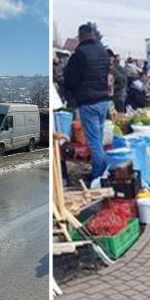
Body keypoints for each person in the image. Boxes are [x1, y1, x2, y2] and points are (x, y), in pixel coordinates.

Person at [63, 23, 110, 182]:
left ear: (81, 36)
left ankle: (98, 177)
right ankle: (102, 172)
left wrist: (71, 96)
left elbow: (70, 79)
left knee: (94, 142)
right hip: (103, 101)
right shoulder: (103, 52)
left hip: (88, 102)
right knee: (99, 139)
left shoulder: (80, 54)